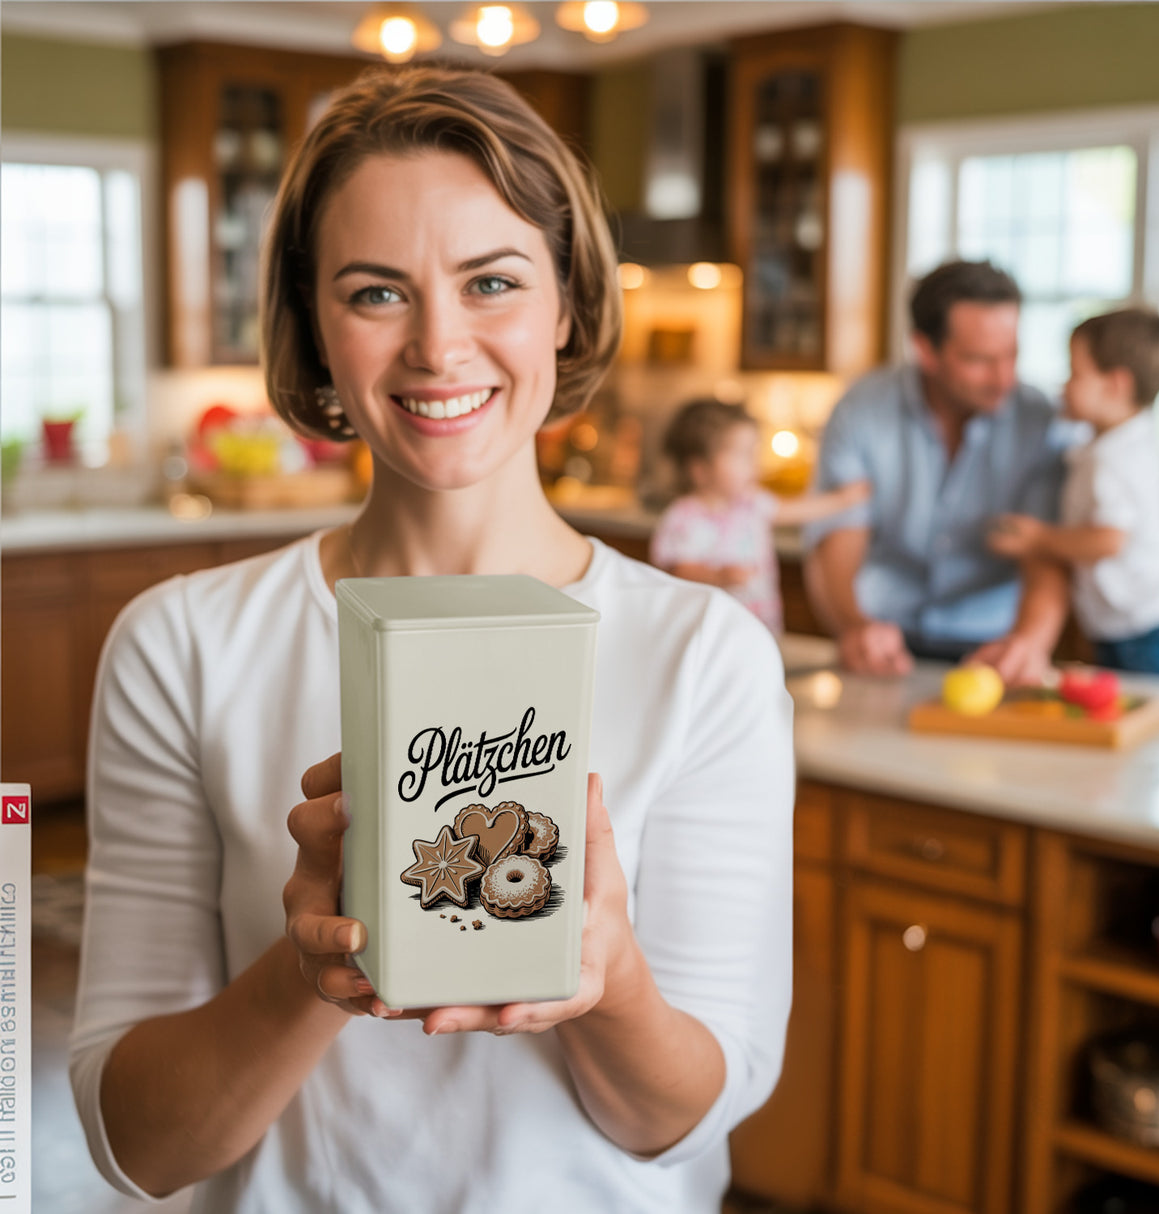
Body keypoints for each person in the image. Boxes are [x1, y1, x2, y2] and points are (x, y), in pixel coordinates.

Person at [69, 67, 794, 1214]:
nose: (437, 346)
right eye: (374, 293)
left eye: (492, 281)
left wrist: (608, 980)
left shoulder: (706, 653)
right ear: (314, 326)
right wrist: (314, 963)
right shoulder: (180, 645)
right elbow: (138, 1143)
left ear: (564, 308)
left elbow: (682, 1118)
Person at [802, 259, 1078, 683]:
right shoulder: (861, 408)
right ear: (925, 350)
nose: (1003, 378)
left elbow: (1043, 552)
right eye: (979, 360)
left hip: (991, 645)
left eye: (1012, 355)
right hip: (881, 635)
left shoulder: (1040, 421)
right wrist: (855, 626)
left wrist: (1029, 642)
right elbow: (840, 536)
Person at [989, 308, 1159, 676]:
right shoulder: (1113, 438)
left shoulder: (1117, 460)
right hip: (1125, 621)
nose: (1064, 386)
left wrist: (1037, 538)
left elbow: (1108, 540)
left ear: (1115, 385)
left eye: (1075, 374)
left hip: (1147, 624)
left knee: (1145, 709)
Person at [650, 398, 869, 633]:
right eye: (741, 455)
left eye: (753, 453)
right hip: (709, 633)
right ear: (700, 470)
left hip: (759, 626)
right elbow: (677, 571)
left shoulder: (752, 505)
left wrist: (844, 499)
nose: (753, 464)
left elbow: (800, 510)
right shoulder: (682, 518)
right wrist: (717, 575)